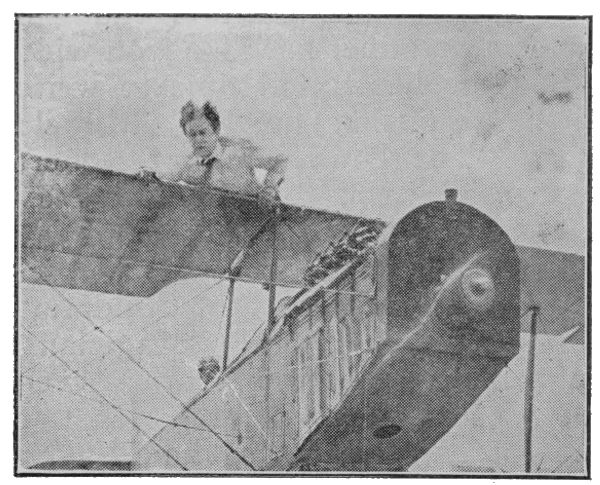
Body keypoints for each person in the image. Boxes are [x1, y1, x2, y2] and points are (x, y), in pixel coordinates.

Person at [143, 101, 286, 203]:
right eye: (192, 135)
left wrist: (270, 188)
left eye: (203, 133)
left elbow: (280, 159)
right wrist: (150, 175)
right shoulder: (187, 162)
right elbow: (164, 175)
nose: (198, 140)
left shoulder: (237, 150)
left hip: (254, 220)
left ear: (216, 131)